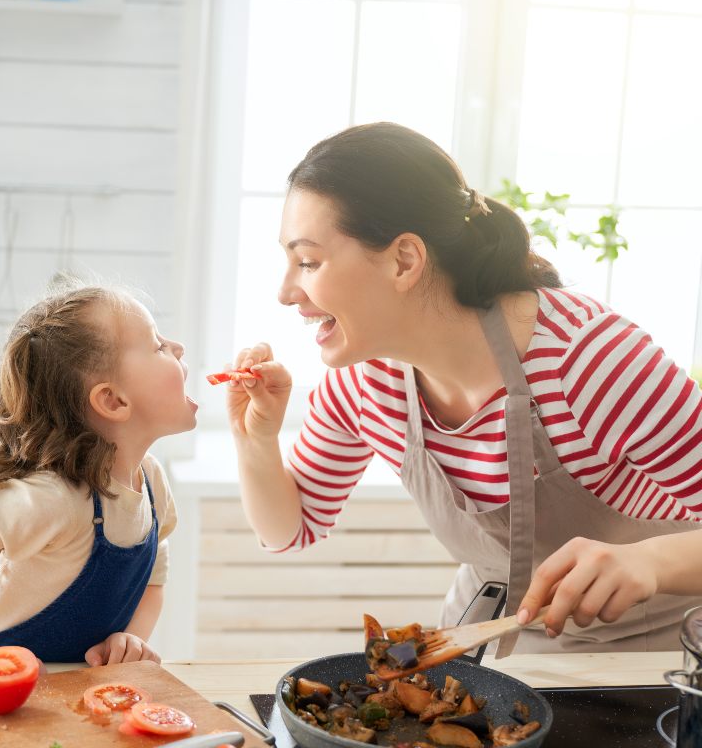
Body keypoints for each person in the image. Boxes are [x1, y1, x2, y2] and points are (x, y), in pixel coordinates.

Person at [224, 122, 702, 656]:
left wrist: (652, 562)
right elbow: (291, 529)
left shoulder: (590, 363)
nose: (286, 292)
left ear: (405, 260)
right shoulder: (364, 382)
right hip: (487, 638)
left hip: (651, 653)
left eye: (308, 261)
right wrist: (256, 439)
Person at [0, 282, 196, 679]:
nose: (178, 347)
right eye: (157, 346)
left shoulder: (150, 482)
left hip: (72, 684)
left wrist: (128, 639)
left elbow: (153, 577)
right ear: (113, 401)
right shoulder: (53, 500)